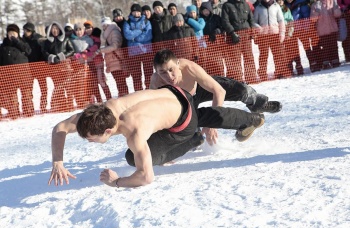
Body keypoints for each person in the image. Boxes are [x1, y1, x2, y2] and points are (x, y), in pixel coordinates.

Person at [48, 80, 265, 188]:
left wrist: (117, 182)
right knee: (205, 115)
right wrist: (57, 161)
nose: (88, 141)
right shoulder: (100, 111)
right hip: (175, 92)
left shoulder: (133, 132)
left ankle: (193, 139)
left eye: (91, 139)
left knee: (133, 157)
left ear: (107, 131)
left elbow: (146, 176)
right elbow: (59, 128)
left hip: (182, 122)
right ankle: (249, 118)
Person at [150, 49, 281, 145]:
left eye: (171, 69)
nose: (169, 76)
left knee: (241, 90)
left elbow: (219, 91)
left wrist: (211, 124)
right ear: (157, 72)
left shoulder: (190, 68)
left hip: (200, 88)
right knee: (195, 140)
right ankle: (243, 128)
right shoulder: (156, 82)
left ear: (178, 63)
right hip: (184, 101)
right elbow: (156, 113)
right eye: (163, 72)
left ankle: (258, 104)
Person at [0, 24, 33, 119]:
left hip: (24, 76)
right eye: (10, 33)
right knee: (12, 97)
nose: (12, 35)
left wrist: (17, 42)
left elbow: (29, 51)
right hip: (9, 77)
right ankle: (14, 113)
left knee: (27, 96)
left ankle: (29, 112)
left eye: (14, 33)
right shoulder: (3, 46)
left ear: (17, 34)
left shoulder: (23, 43)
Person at [221, 0, 259, 83]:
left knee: (249, 57)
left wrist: (252, 30)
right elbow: (225, 21)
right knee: (235, 58)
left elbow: (251, 19)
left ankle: (251, 77)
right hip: (233, 35)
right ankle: (237, 80)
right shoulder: (227, 5)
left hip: (246, 34)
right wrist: (232, 32)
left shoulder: (246, 4)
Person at [42, 21, 75, 112]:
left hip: (65, 67)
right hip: (54, 68)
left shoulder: (65, 39)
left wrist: (62, 56)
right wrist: (51, 57)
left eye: (56, 28)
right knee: (58, 87)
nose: (55, 30)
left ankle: (70, 104)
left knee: (68, 86)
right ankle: (62, 105)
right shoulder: (47, 42)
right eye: (53, 29)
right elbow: (44, 52)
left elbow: (71, 50)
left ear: (60, 29)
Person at [254, 0, 291, 80]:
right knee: (263, 56)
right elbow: (254, 22)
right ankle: (262, 74)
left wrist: (282, 33)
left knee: (278, 55)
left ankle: (280, 72)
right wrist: (259, 29)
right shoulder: (258, 8)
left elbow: (281, 20)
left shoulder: (276, 6)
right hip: (263, 36)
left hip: (275, 34)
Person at [123, 3, 153, 90]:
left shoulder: (146, 21)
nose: (136, 14)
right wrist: (140, 30)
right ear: (131, 13)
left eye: (138, 12)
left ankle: (149, 90)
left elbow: (148, 35)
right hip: (133, 53)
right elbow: (128, 35)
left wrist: (134, 38)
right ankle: (138, 92)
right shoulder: (127, 22)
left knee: (148, 74)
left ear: (141, 12)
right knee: (136, 76)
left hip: (146, 51)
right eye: (134, 12)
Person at [96, 17, 128, 96]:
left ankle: (125, 96)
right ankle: (122, 95)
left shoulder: (114, 31)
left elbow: (115, 45)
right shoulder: (106, 34)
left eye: (105, 25)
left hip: (116, 59)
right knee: (118, 81)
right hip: (112, 60)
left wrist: (102, 50)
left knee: (120, 81)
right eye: (103, 25)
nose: (104, 27)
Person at [22, 22, 48, 113]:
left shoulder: (38, 38)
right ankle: (29, 107)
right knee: (28, 88)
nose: (26, 32)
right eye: (25, 30)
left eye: (27, 30)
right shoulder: (23, 40)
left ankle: (43, 106)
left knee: (43, 89)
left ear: (31, 31)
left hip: (40, 67)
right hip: (29, 68)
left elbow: (44, 50)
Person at [310, 0, 341, 69]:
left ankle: (335, 60)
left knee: (334, 46)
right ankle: (326, 62)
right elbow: (313, 19)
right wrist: (317, 11)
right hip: (322, 31)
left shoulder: (332, 2)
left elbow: (338, 14)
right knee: (325, 47)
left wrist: (335, 8)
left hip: (332, 28)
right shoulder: (315, 5)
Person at [278, 0, 304, 76]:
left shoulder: (286, 9)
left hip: (289, 31)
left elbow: (291, 20)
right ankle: (289, 68)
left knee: (294, 50)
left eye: (281, 1)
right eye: (278, 1)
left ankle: (298, 66)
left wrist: (290, 32)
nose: (280, 2)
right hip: (280, 32)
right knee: (285, 52)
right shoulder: (275, 9)